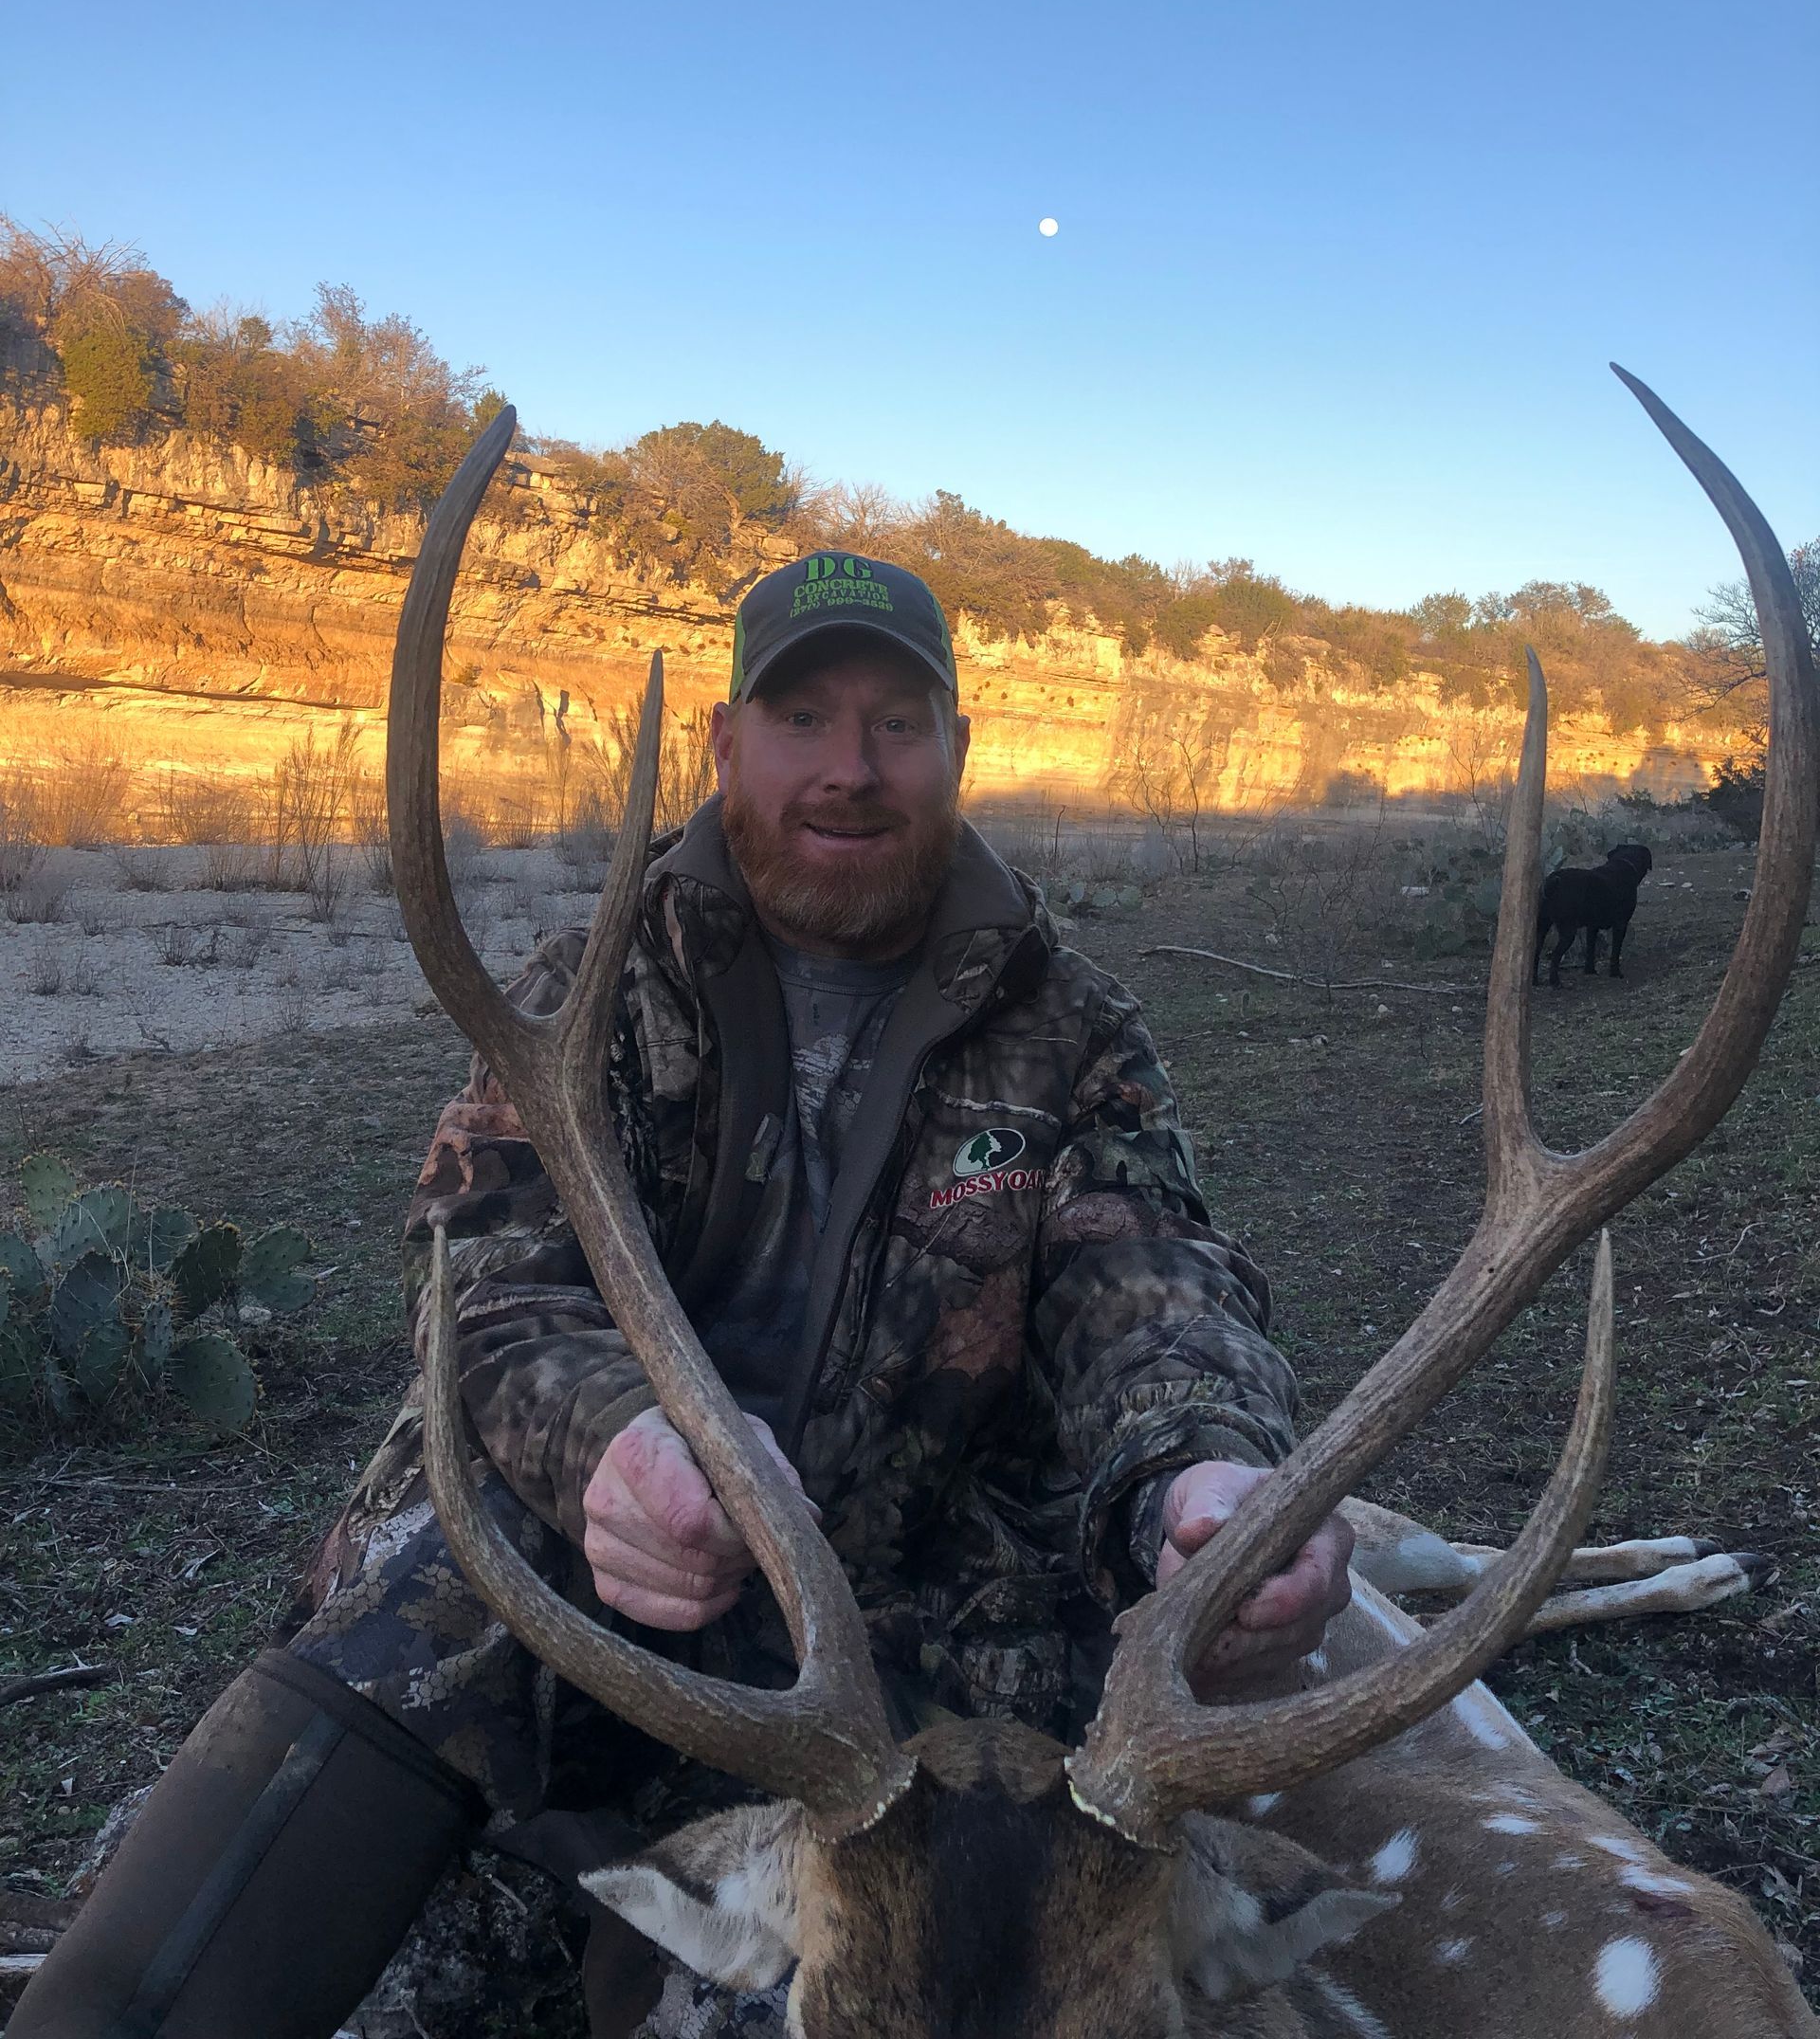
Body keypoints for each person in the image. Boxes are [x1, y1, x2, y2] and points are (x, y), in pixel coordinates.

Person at [13, 551, 1350, 2039]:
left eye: (897, 724)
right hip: (620, 1549)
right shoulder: (589, 990)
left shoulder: (1075, 1025)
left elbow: (1151, 1280)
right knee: (431, 1575)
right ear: (723, 745)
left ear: (958, 750)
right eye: (803, 718)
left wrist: (1202, 1469)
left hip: (917, 1610)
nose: (851, 769)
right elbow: (489, 1279)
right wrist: (616, 1441)